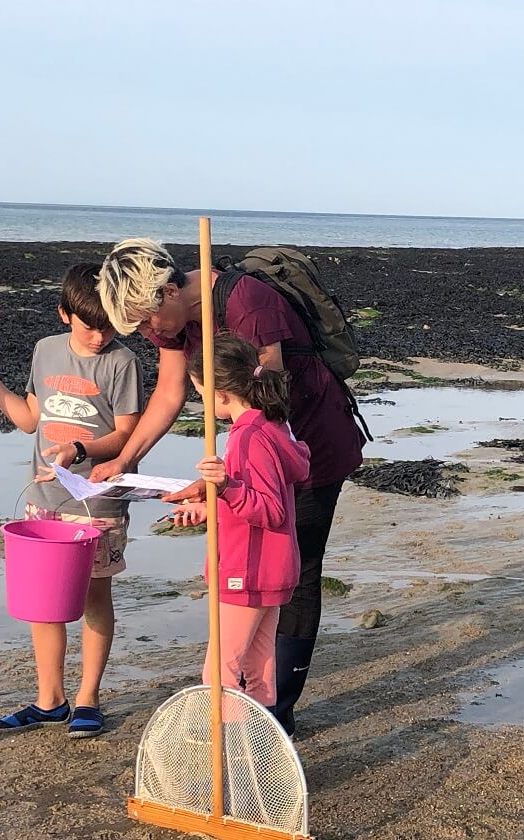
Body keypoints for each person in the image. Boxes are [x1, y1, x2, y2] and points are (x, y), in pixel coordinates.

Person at [93, 239, 363, 736]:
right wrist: (125, 459)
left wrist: (221, 484)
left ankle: (277, 711)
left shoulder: (246, 302)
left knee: (296, 570)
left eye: (149, 321)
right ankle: (264, 712)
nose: (151, 333)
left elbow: (270, 401)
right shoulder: (172, 322)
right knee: (265, 569)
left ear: (171, 289)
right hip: (251, 453)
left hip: (308, 440)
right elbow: (172, 390)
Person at [0, 263, 144, 738]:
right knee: (44, 603)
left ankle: (87, 698)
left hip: (98, 499)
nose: (100, 337)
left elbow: (127, 436)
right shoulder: (45, 351)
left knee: (93, 596)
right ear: (65, 314)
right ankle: (50, 700)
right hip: (43, 496)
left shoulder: (123, 362)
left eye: (109, 326)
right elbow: (28, 419)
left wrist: (80, 450)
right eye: (91, 327)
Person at [167, 335, 310, 705]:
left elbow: (270, 510)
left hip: (246, 571)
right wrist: (206, 508)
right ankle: (259, 754)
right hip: (269, 569)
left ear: (222, 394)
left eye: (201, 394)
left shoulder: (248, 437)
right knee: (259, 672)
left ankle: (226, 757)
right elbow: (257, 499)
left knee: (221, 675)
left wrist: (226, 486)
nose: (202, 403)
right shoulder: (273, 425)